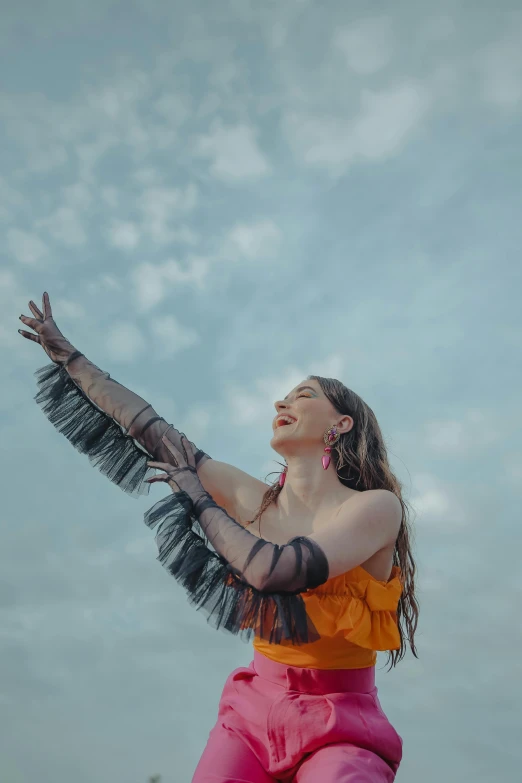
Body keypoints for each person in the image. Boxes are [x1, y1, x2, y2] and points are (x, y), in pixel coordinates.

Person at [18, 293, 419, 782]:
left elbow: (274, 571)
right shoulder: (254, 498)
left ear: (341, 424)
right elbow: (154, 431)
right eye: (285, 395)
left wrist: (200, 500)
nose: (283, 401)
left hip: (340, 721)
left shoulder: (376, 508)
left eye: (304, 394)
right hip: (251, 713)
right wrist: (71, 359)